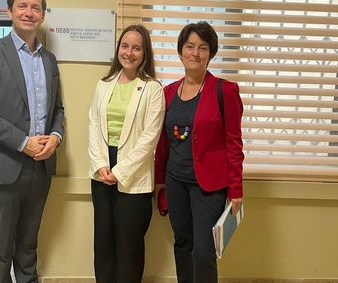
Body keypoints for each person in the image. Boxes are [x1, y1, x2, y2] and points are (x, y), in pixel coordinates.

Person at [0, 0, 64, 282]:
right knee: (2, 245)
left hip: (41, 167)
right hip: (5, 166)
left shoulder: (49, 60)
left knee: (28, 244)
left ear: (43, 15)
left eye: (36, 7)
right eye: (22, 6)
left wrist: (56, 138)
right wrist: (24, 143)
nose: (29, 12)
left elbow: (58, 110)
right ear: (9, 11)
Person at [154, 21, 244, 283]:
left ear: (211, 53)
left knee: (204, 252)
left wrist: (236, 189)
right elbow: (163, 142)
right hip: (175, 181)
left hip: (209, 186)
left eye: (203, 48)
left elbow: (234, 143)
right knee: (182, 243)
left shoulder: (224, 91)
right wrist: (160, 180)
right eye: (190, 46)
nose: (195, 53)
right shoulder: (168, 92)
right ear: (181, 51)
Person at [88, 24, 165, 283]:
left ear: (145, 53)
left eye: (136, 48)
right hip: (101, 171)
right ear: (118, 48)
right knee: (104, 242)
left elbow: (149, 138)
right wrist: (100, 164)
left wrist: (120, 171)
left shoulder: (153, 88)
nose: (129, 53)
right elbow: (93, 127)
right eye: (124, 46)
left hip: (133, 174)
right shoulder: (104, 84)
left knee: (129, 246)